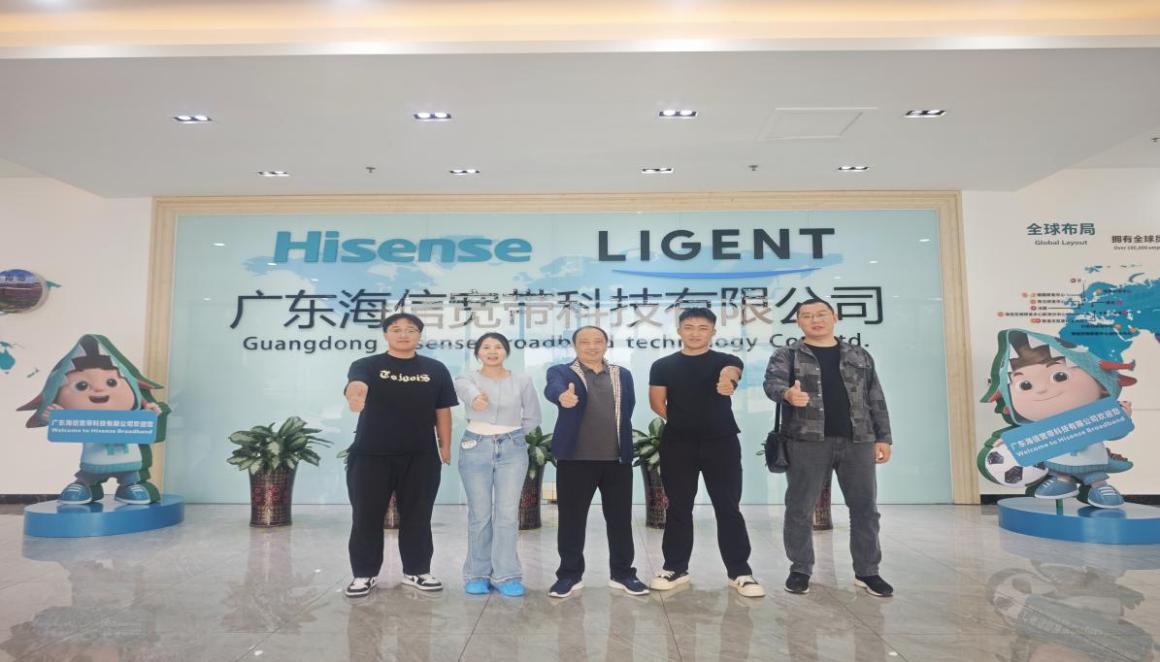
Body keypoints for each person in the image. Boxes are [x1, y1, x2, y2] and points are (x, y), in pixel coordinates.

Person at [762, 297, 895, 598]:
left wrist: (883, 437)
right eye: (807, 315)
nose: (815, 320)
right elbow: (771, 385)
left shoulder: (858, 354)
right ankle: (800, 569)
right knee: (800, 508)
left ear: (834, 317)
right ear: (798, 322)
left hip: (858, 441)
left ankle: (868, 571)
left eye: (821, 314)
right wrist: (787, 394)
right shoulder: (787, 354)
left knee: (865, 508)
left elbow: (875, 397)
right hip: (806, 441)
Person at [647, 308, 765, 597]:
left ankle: (740, 571)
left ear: (713, 332)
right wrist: (684, 422)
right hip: (678, 444)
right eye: (689, 327)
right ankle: (675, 568)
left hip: (721, 442)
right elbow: (657, 403)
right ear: (679, 331)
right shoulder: (663, 365)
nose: (695, 333)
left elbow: (732, 372)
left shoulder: (726, 360)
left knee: (728, 506)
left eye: (702, 328)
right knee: (678, 507)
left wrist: (728, 382)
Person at [342, 312, 457, 598]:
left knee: (418, 515)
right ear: (386, 335)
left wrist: (445, 446)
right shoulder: (367, 364)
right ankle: (364, 574)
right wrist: (355, 394)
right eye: (396, 329)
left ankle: (417, 571)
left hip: (420, 456)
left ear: (419, 335)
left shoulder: (435, 369)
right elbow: (357, 384)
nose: (403, 334)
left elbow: (442, 410)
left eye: (410, 329)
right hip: (371, 455)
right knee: (366, 516)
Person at [543, 325, 648, 598]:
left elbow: (628, 408)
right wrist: (562, 397)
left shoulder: (621, 374)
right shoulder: (561, 372)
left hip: (616, 459)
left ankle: (623, 574)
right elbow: (553, 389)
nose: (592, 346)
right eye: (585, 341)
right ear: (575, 346)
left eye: (597, 341)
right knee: (571, 521)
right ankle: (569, 575)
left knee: (620, 520)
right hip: (575, 460)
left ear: (606, 344)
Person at [453, 332, 542, 597]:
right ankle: (477, 574)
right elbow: (465, 390)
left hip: (512, 448)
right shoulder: (467, 378)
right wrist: (476, 399)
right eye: (486, 347)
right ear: (478, 353)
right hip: (475, 446)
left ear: (506, 352)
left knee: (507, 514)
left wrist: (513, 435)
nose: (492, 351)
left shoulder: (522, 380)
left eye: (498, 347)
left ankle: (506, 575)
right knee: (479, 515)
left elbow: (533, 416)